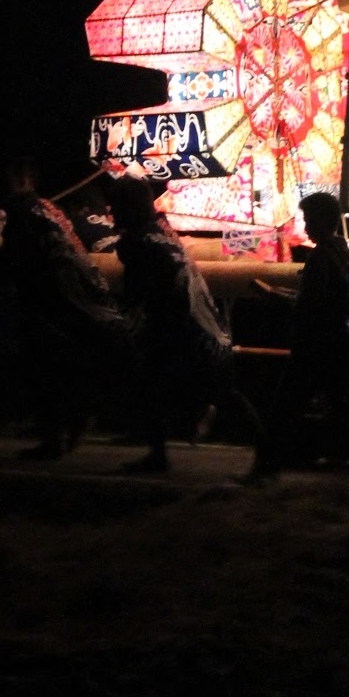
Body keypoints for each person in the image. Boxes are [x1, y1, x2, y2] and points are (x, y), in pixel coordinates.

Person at [109, 174, 260, 473]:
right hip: (198, 325)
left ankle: (267, 452)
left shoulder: (138, 242)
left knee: (218, 393)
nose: (112, 213)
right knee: (169, 386)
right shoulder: (162, 232)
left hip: (185, 329)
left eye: (116, 206)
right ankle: (159, 453)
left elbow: (137, 294)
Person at [246, 191, 349, 487]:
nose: (305, 227)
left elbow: (312, 304)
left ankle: (265, 470)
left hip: (315, 348)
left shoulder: (321, 257)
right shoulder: (340, 252)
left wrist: (275, 297)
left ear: (321, 221)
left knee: (283, 411)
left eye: (308, 220)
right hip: (336, 346)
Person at [0, 158, 133, 459]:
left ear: (20, 178)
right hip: (83, 297)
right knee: (63, 364)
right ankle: (70, 422)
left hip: (58, 298)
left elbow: (13, 258)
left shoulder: (22, 210)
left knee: (44, 364)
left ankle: (56, 435)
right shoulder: (49, 209)